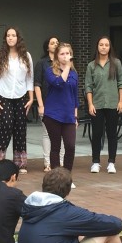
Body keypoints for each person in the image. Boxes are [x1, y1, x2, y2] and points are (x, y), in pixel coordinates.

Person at [0, 27, 34, 174]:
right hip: (4, 95)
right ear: (5, 38)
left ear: (18, 38)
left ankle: (20, 162)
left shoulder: (26, 56)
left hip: (21, 96)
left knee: (20, 127)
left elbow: (30, 78)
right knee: (7, 124)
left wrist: (31, 97)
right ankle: (0, 160)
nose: (10, 38)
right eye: (8, 35)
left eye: (13, 35)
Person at [85, 36, 122, 174]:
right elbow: (88, 87)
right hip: (97, 104)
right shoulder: (91, 65)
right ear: (97, 47)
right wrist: (90, 104)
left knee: (112, 134)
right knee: (96, 134)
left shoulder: (116, 63)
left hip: (113, 104)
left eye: (106, 45)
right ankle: (95, 162)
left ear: (110, 47)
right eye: (101, 44)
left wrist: (121, 101)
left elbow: (121, 83)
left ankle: (111, 162)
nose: (103, 47)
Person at [43, 42, 79, 186]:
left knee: (70, 146)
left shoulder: (74, 74)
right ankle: (57, 179)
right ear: (57, 56)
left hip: (69, 115)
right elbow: (59, 83)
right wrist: (67, 68)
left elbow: (75, 95)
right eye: (62, 54)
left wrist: (75, 115)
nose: (66, 56)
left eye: (68, 53)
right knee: (56, 146)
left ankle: (67, 178)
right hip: (53, 114)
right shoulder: (50, 71)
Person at [34, 36, 65, 172]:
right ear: (47, 47)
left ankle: (61, 161)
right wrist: (40, 104)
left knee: (63, 134)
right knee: (47, 134)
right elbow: (37, 84)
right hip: (47, 103)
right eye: (52, 43)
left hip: (63, 104)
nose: (55, 45)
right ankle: (48, 162)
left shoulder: (64, 62)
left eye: (57, 43)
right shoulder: (42, 63)